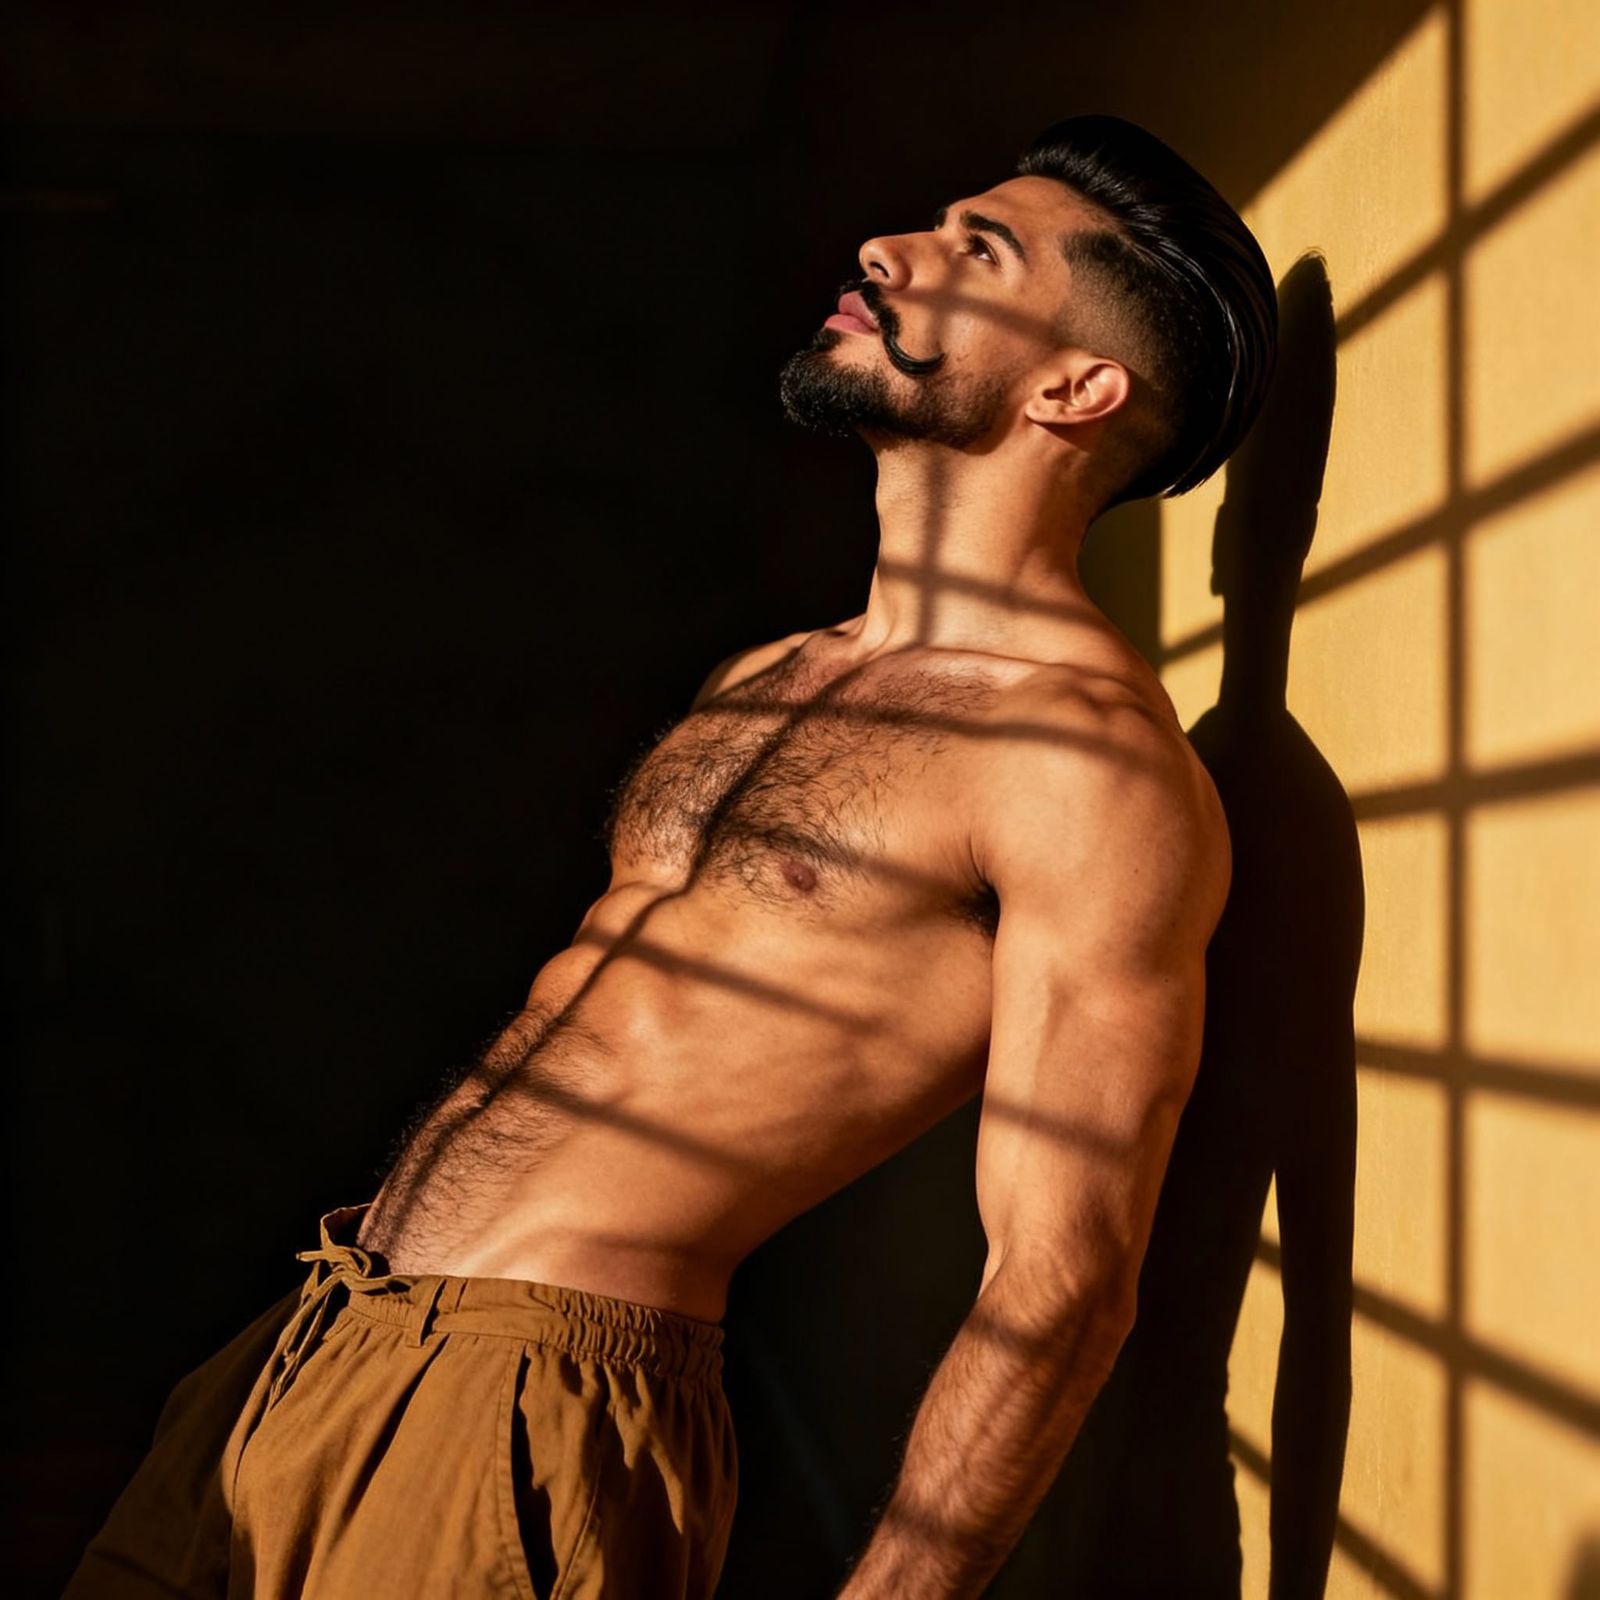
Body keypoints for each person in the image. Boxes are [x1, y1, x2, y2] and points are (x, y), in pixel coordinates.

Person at [66, 114, 1277, 1600]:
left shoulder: (1089, 769)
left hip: (521, 1405)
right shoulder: (769, 675)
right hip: (315, 1340)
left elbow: (1066, 1275)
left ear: (1076, 388)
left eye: (979, 251)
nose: (888, 250)